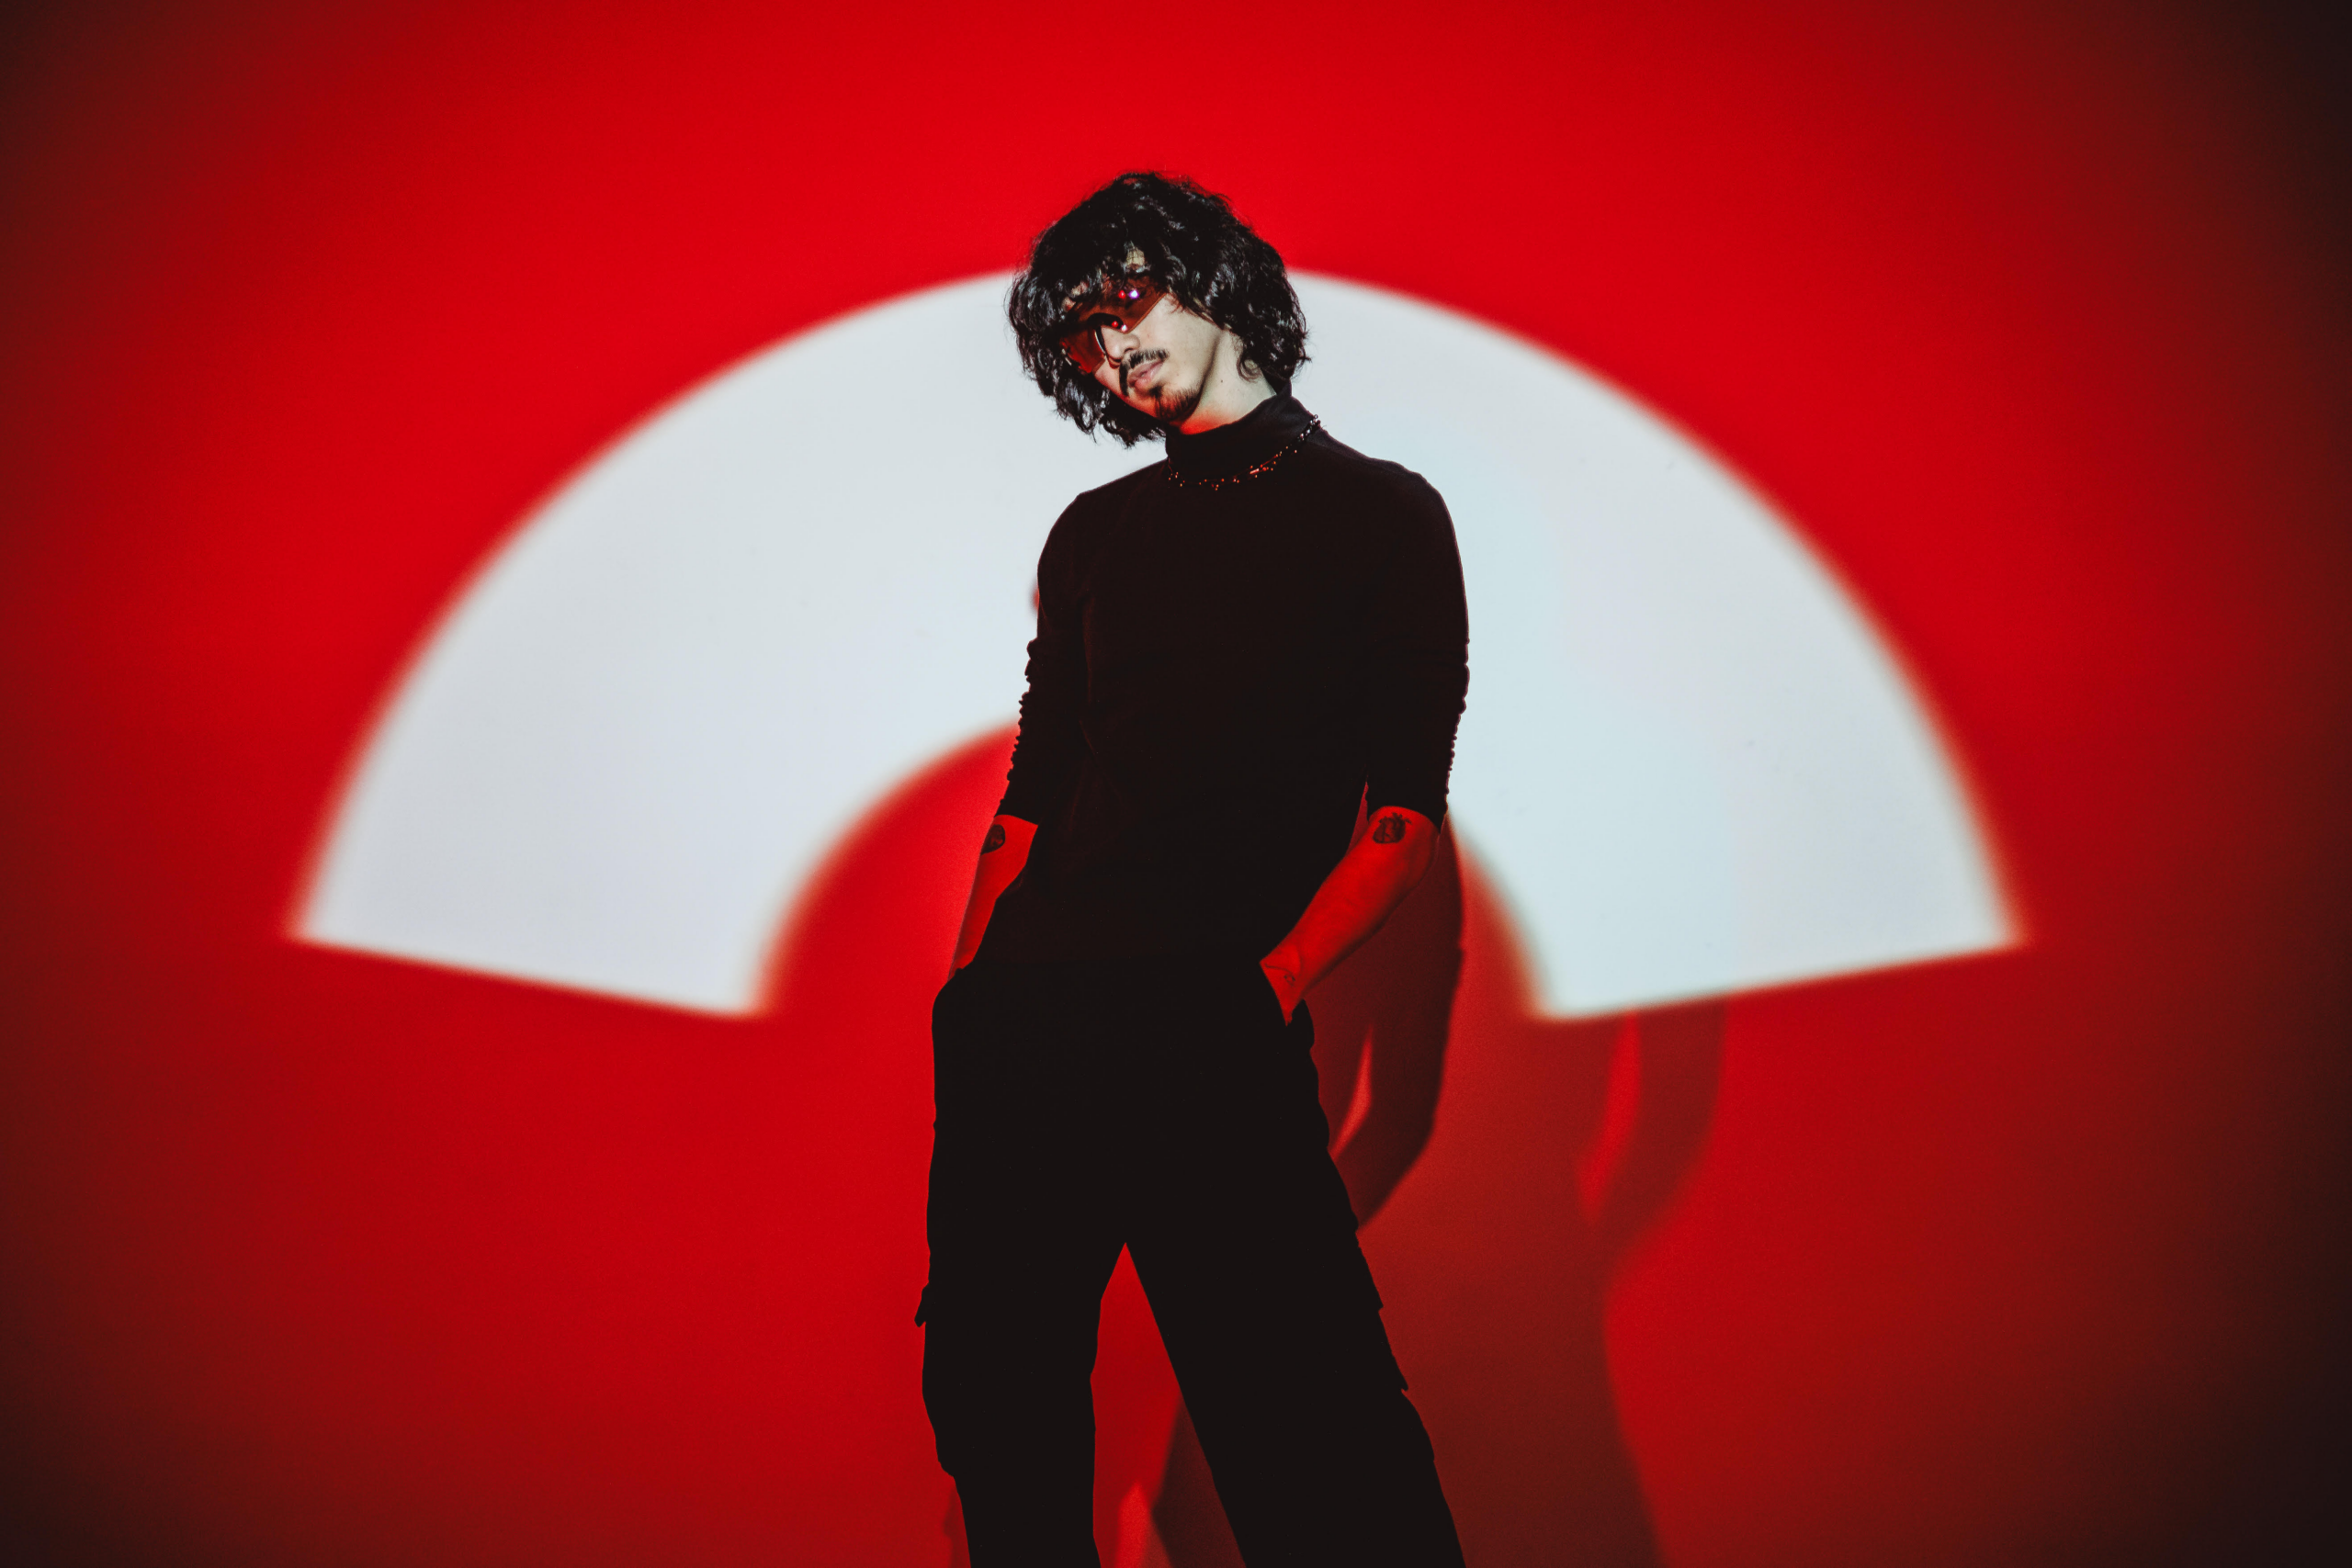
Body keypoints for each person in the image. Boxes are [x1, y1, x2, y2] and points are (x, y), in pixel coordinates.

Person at [917, 171, 1471, 1567]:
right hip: (1025, 1019)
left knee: (1318, 1434)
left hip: (1208, 1019)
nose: (1110, 345)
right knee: (995, 1408)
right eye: (1081, 333)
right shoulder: (1096, 533)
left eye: (1125, 298)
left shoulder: (1382, 513)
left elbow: (1403, 814)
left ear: (1214, 278)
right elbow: (1033, 793)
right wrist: (966, 998)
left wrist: (1264, 986)